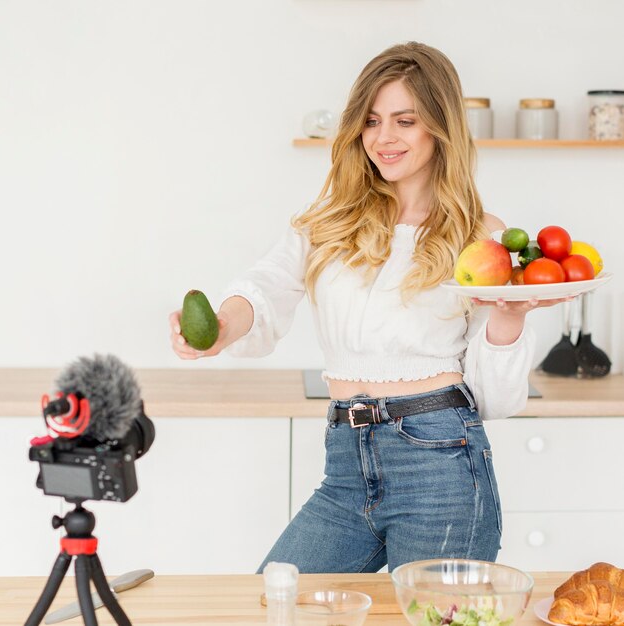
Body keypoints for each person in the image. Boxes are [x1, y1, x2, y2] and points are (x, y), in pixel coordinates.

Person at [169, 41, 564, 573]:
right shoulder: (329, 222)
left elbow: (494, 398)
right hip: (346, 466)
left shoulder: (479, 237)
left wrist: (509, 318)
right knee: (275, 605)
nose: (384, 138)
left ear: (439, 127)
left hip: (441, 464)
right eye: (372, 121)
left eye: (405, 120)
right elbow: (264, 288)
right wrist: (219, 327)